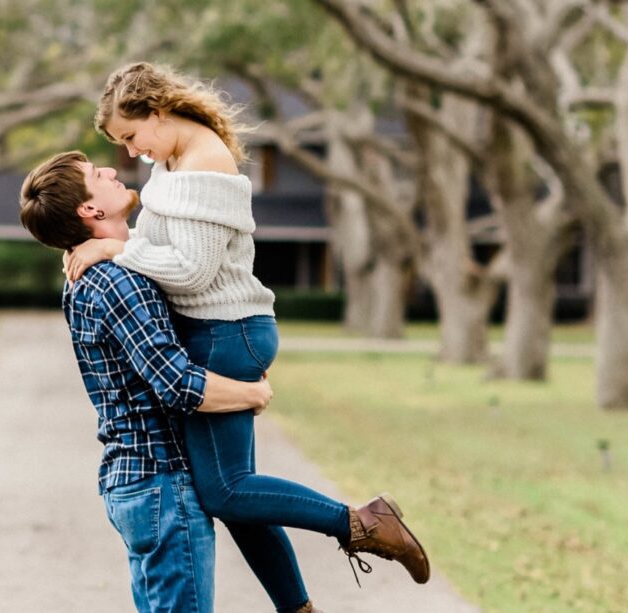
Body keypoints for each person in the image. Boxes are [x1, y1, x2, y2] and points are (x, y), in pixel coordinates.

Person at [63, 62, 430, 611]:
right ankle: (299, 607)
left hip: (224, 330)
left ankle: (362, 522)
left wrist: (115, 248)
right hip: (216, 329)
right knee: (237, 493)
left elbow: (193, 272)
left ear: (158, 114)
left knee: (227, 491)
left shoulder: (204, 163)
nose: (133, 151)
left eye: (131, 136)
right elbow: (169, 243)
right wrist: (110, 243)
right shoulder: (174, 160)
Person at [19, 150, 276, 612]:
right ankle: (355, 526)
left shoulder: (94, 272)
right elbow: (178, 384)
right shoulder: (119, 282)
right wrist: (252, 393)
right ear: (90, 211)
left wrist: (117, 245)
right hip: (162, 483)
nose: (113, 171)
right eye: (98, 175)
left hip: (136, 483)